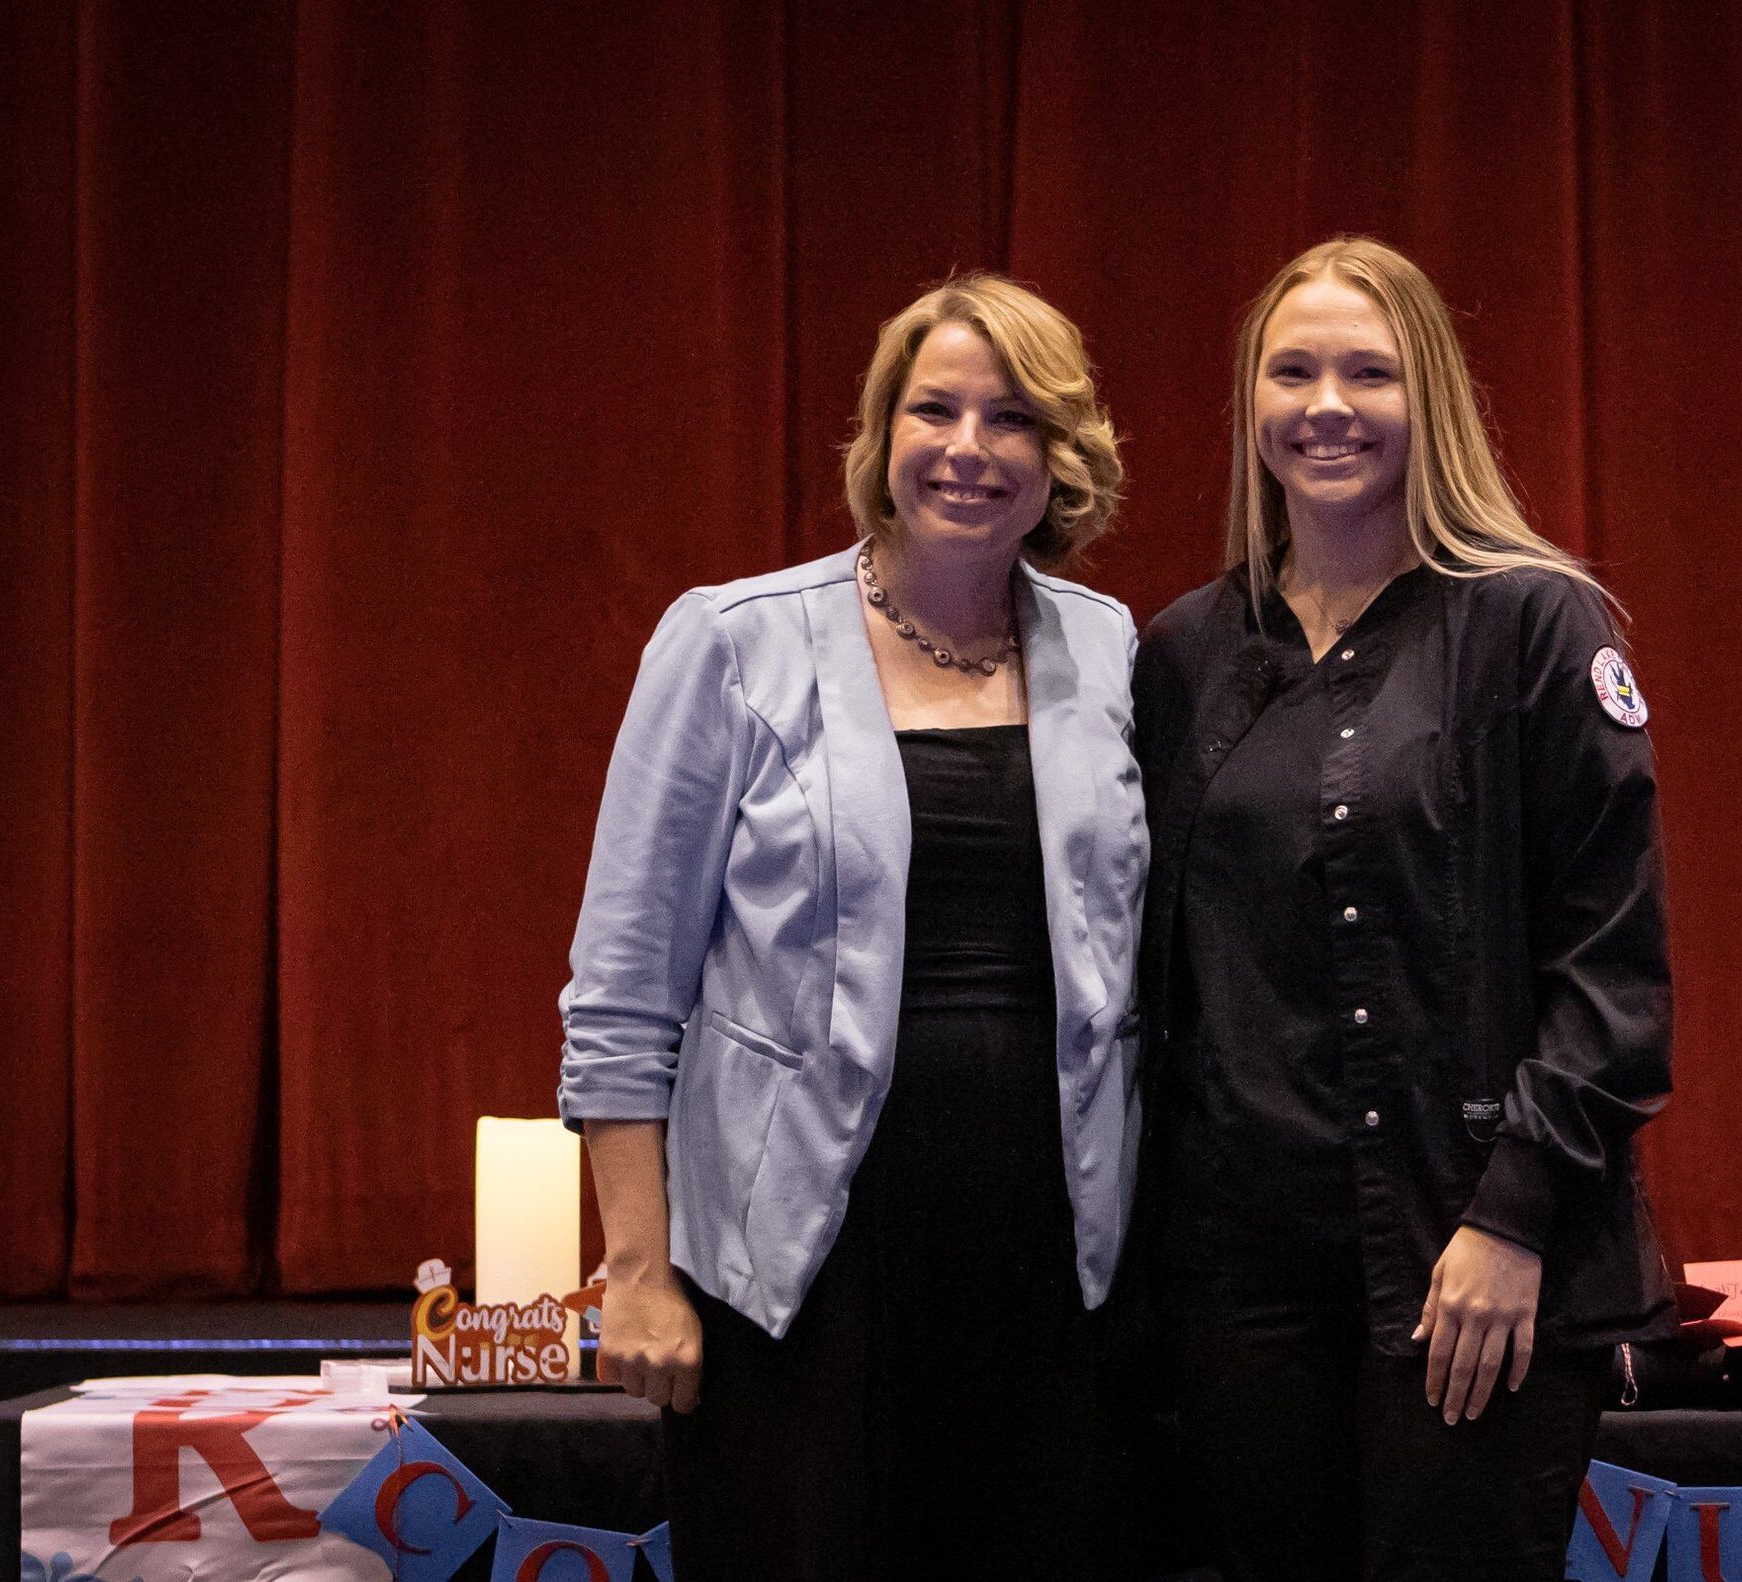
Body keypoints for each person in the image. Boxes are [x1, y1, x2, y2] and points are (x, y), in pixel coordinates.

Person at [557, 275, 1146, 1581]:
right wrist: (638, 1270)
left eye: (1013, 417)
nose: (968, 447)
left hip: (1048, 1272)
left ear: (1062, 454)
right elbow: (621, 990)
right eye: (932, 408)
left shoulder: (1111, 654)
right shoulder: (731, 643)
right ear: (880, 436)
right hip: (795, 1281)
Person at [1130, 237, 1675, 1580]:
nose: (1327, 404)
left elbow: (1611, 971)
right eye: (1293, 370)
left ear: (1427, 397)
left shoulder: (1537, 626)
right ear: (1250, 404)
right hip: (1242, 1285)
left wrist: (1511, 1218)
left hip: (1468, 1260)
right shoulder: (1182, 654)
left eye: (1367, 372)